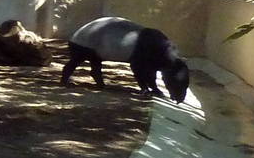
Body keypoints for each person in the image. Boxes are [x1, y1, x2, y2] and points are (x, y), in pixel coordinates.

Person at [61, 17, 189, 103]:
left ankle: (99, 83)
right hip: (85, 41)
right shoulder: (154, 47)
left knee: (95, 64)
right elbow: (138, 66)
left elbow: (150, 69)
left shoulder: (158, 47)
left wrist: (154, 87)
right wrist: (144, 87)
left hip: (96, 41)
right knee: (76, 62)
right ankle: (64, 80)